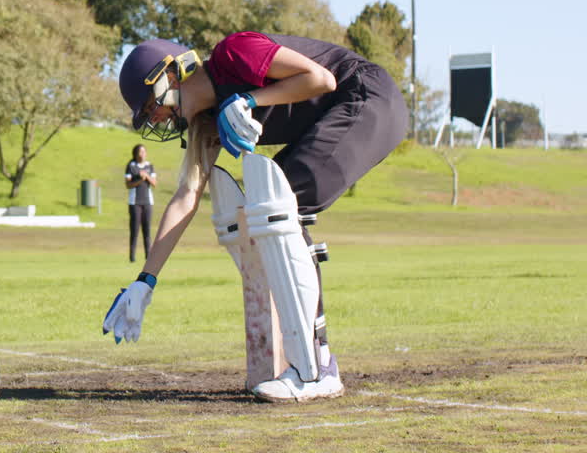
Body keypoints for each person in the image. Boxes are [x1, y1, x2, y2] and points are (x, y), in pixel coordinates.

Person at [101, 32, 406, 403]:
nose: (157, 117)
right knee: (271, 198)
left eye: (151, 105)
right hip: (350, 107)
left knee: (278, 199)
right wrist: (144, 282)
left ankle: (315, 371)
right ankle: (316, 361)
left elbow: (322, 80)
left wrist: (249, 99)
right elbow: (186, 198)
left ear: (172, 74)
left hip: (368, 97)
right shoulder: (206, 123)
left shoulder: (233, 53)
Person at [123, 144, 157, 262]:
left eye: (144, 152)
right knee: (134, 230)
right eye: (140, 152)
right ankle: (132, 257)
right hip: (134, 202)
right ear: (135, 154)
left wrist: (146, 176)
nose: (142, 154)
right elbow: (128, 185)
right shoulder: (131, 166)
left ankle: (149, 257)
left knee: (147, 230)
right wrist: (140, 180)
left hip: (148, 202)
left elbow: (154, 183)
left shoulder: (149, 166)